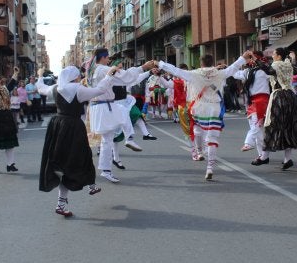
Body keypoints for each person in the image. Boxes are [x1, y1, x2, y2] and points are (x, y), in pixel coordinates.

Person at [156, 51, 252, 180]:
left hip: (199, 107)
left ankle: (199, 151)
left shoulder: (194, 74)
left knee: (197, 130)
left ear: (201, 63)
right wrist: (243, 58)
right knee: (212, 139)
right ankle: (210, 168)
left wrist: (159, 63)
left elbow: (175, 71)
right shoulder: (219, 73)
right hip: (214, 108)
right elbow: (233, 67)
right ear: (212, 62)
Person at [36, 66, 117, 217]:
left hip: (57, 125)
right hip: (73, 126)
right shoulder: (78, 89)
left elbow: (41, 88)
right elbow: (99, 90)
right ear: (75, 77)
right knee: (82, 156)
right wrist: (108, 76)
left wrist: (40, 75)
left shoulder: (56, 88)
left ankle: (67, 200)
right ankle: (90, 185)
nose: (80, 78)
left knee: (62, 163)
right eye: (78, 76)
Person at [87, 48, 156, 183]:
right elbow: (125, 77)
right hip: (104, 106)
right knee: (123, 115)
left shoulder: (94, 70)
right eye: (108, 58)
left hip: (100, 106)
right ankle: (129, 139)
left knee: (107, 139)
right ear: (103, 58)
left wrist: (143, 71)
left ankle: (106, 170)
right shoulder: (103, 69)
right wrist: (143, 67)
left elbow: (124, 80)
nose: (109, 60)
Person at [253, 48, 297, 170]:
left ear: (279, 56)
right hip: (291, 96)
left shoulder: (277, 65)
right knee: (289, 126)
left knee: (272, 125)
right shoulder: (288, 65)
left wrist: (256, 60)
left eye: (274, 54)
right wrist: (293, 59)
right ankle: (287, 159)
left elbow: (268, 70)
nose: (272, 55)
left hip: (279, 97)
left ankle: (264, 156)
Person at [232, 51, 270, 156]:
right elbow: (234, 73)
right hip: (251, 102)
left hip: (262, 101)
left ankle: (249, 142)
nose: (247, 60)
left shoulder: (265, 71)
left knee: (257, 126)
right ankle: (262, 156)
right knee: (258, 130)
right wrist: (236, 63)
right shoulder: (248, 72)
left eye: (249, 58)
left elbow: (269, 69)